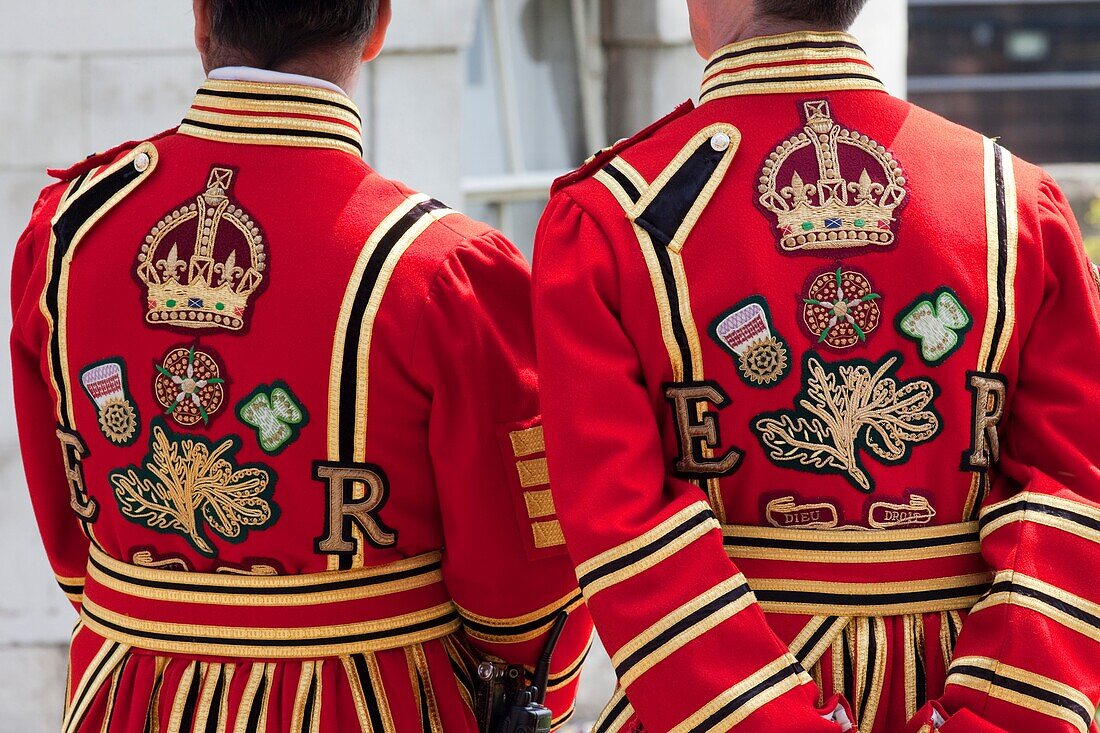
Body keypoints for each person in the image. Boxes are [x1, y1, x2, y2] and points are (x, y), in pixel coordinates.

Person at [10, 1, 592, 730]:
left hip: (132, 692)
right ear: (378, 25)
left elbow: (71, 534)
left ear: (200, 18)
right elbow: (522, 592)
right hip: (369, 698)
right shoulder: (441, 268)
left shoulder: (66, 231)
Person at [533, 0, 1100, 731]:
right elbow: (1077, 499)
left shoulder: (611, 218)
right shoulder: (1014, 202)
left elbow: (622, 525)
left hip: (714, 705)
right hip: (973, 681)